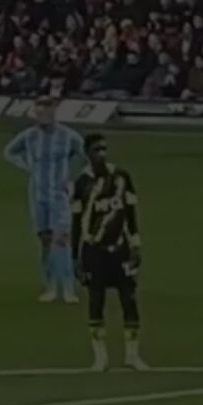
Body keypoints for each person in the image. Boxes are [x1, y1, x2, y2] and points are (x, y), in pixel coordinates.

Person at [71, 133, 149, 371]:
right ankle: (100, 357)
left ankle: (132, 355)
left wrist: (136, 243)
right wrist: (76, 256)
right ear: (87, 153)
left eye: (104, 149)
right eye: (96, 150)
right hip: (95, 251)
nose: (102, 154)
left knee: (129, 299)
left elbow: (131, 214)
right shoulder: (81, 184)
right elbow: (76, 222)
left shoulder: (121, 177)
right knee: (96, 301)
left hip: (121, 250)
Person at [3, 96, 86, 303]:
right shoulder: (29, 136)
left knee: (62, 239)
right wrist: (28, 167)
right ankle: (50, 286)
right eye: (39, 112)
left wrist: (74, 179)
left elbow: (84, 155)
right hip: (37, 194)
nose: (43, 116)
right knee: (45, 240)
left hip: (59, 194)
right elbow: (9, 152)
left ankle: (67, 289)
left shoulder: (68, 136)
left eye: (47, 112)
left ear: (54, 112)